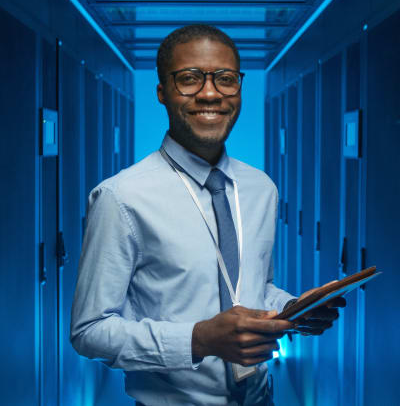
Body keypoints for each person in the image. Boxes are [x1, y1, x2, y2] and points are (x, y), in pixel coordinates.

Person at [70, 25, 344, 405]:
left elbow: (252, 287)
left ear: (239, 89)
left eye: (226, 79)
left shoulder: (260, 188)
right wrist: (198, 339)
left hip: (262, 398)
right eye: (189, 79)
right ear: (162, 93)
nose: (211, 93)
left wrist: (292, 309)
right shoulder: (121, 197)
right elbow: (90, 331)